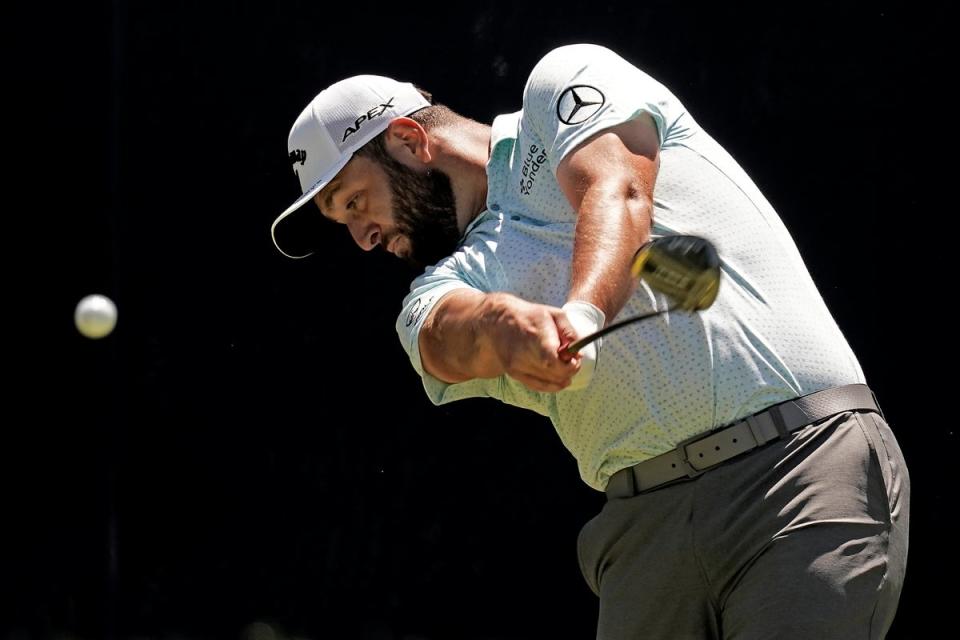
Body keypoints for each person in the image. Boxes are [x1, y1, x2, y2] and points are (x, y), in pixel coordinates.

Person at [271, 44, 909, 639]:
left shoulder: (562, 84)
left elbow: (617, 188)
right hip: (641, 532)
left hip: (798, 470)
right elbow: (445, 337)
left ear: (410, 141)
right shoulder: (436, 284)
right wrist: (503, 327)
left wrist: (581, 314)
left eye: (355, 202)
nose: (363, 239)